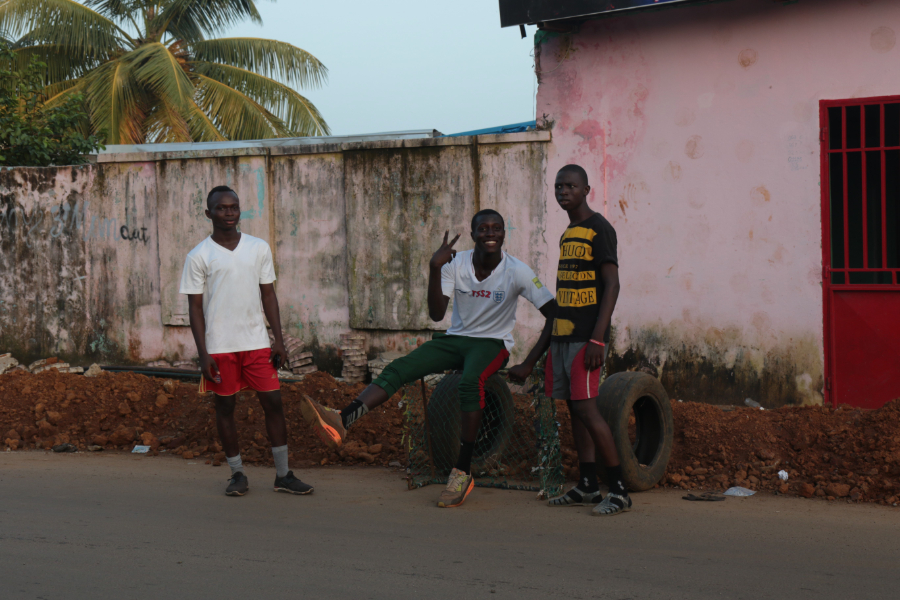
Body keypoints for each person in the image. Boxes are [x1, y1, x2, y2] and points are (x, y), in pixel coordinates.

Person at [301, 209, 555, 508]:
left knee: (470, 384)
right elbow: (436, 314)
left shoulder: (518, 271)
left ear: (503, 234)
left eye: (496, 228)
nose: (490, 234)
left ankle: (462, 472)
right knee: (400, 367)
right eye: (483, 229)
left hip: (492, 344)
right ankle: (343, 420)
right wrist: (435, 268)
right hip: (455, 339)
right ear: (473, 235)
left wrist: (529, 362)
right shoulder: (455, 263)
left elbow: (554, 314)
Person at [508, 164, 631, 516]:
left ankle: (619, 491)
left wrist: (597, 340)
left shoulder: (599, 229)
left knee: (588, 410)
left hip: (584, 341)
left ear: (586, 190)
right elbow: (562, 303)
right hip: (562, 338)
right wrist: (533, 358)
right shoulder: (569, 233)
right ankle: (588, 485)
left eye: (571, 186)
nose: (563, 191)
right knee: (575, 411)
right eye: (559, 186)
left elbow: (612, 285)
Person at [179, 185, 314, 497]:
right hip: (220, 347)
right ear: (208, 213)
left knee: (274, 403)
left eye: (233, 207)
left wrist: (278, 340)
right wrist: (203, 353)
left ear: (240, 210)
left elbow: (269, 294)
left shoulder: (258, 248)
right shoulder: (198, 255)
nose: (229, 213)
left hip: (256, 343)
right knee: (226, 407)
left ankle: (283, 474)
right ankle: (237, 473)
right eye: (222, 208)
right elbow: (195, 308)